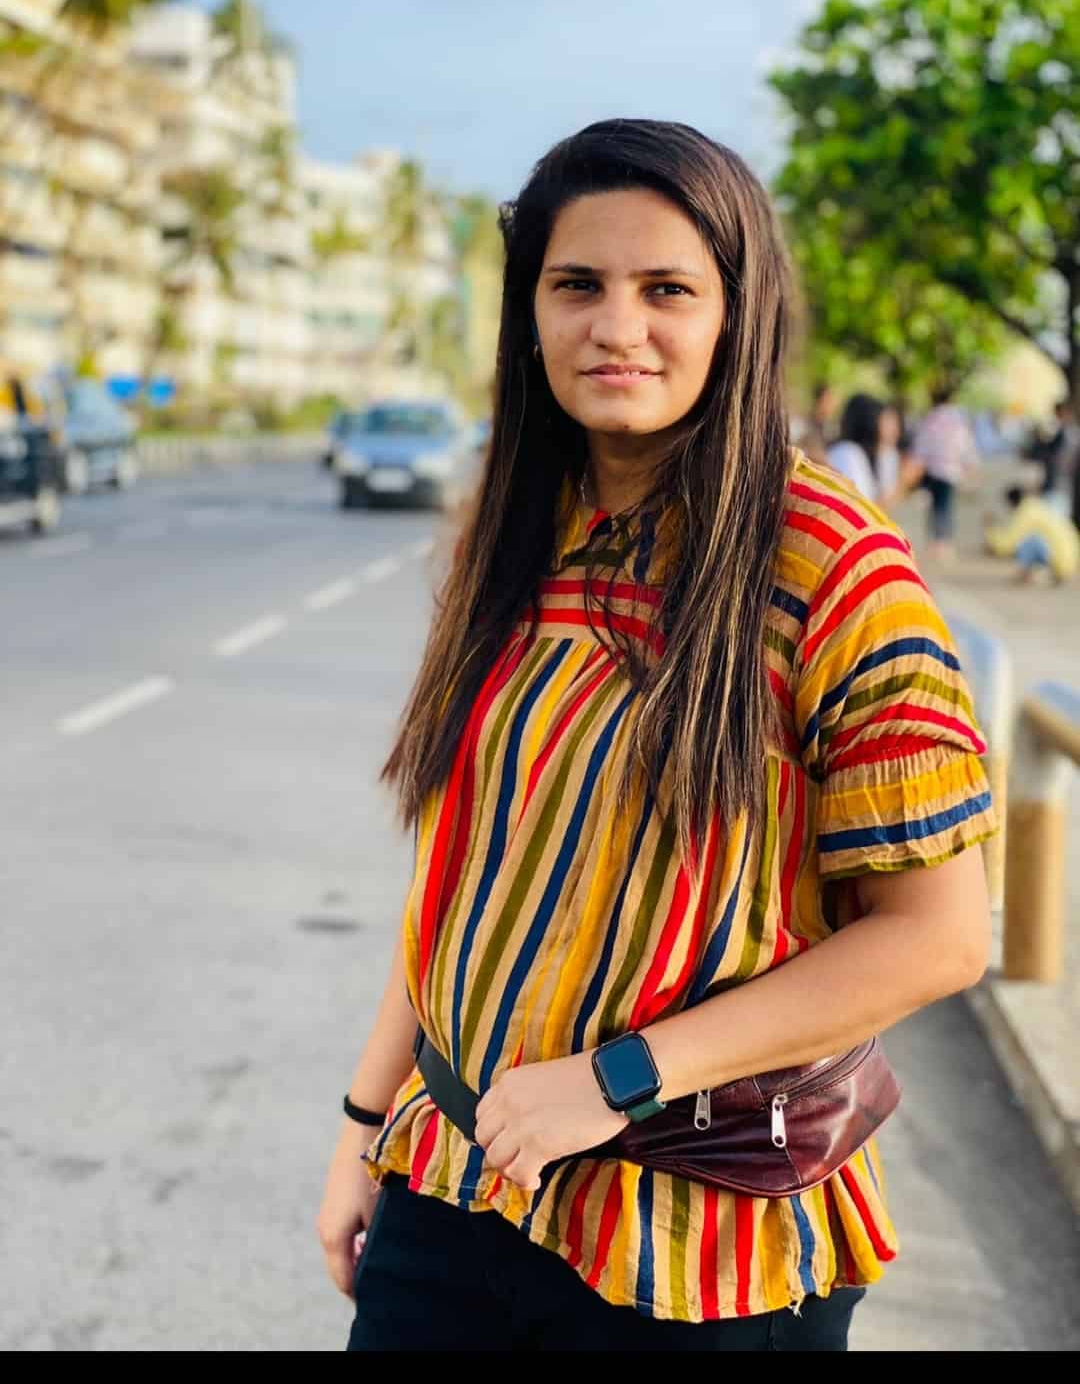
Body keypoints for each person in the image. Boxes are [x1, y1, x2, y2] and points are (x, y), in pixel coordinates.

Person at [317, 120, 996, 1353]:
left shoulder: (834, 569)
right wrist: (366, 1126)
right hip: (454, 1188)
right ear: (530, 311)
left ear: (737, 315)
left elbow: (939, 935)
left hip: (700, 1243)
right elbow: (468, 876)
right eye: (577, 284)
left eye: (667, 290)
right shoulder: (514, 538)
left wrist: (613, 1079)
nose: (615, 326)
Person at [911, 388, 980, 561]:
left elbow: (922, 444)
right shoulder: (958, 419)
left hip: (932, 469)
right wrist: (971, 464)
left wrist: (918, 463)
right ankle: (944, 542)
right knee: (945, 506)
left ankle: (935, 542)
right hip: (951, 470)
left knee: (935, 507)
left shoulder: (931, 418)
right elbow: (965, 443)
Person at [826, 394, 921, 511]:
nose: (895, 429)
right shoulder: (848, 453)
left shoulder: (886, 455)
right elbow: (863, 512)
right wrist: (903, 482)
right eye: (887, 422)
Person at [984, 483, 1079, 585]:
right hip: (1071, 560)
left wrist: (990, 528)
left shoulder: (1026, 513)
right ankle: (1042, 573)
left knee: (1029, 541)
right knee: (1036, 538)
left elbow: (1006, 545)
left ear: (1011, 502)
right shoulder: (1039, 507)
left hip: (1061, 563)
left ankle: (1026, 574)